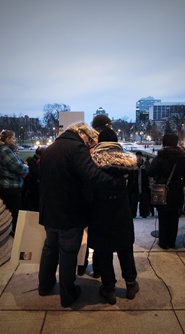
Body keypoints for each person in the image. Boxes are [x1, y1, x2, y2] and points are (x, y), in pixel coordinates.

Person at [38, 122, 122, 308]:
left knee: (50, 248)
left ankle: (44, 286)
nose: (90, 146)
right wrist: (116, 182)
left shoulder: (52, 147)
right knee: (68, 253)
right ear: (84, 135)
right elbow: (92, 175)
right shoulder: (76, 148)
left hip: (49, 210)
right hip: (68, 211)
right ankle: (68, 294)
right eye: (91, 142)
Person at [88, 127, 139, 305]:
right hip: (121, 210)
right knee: (125, 249)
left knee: (103, 251)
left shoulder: (91, 160)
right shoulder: (128, 160)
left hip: (100, 211)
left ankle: (109, 289)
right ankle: (131, 284)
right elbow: (133, 190)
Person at [76, 114, 113, 277]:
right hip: (100, 195)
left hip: (85, 194)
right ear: (106, 125)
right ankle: (98, 268)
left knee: (84, 232)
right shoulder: (105, 145)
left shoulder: (85, 143)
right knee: (100, 234)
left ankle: (81, 265)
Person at [148, 133, 185, 249]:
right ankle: (172, 242)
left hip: (163, 191)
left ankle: (164, 242)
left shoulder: (160, 157)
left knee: (163, 218)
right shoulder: (182, 158)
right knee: (174, 218)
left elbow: (150, 171)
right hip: (177, 191)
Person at [0, 129, 29, 236]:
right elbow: (20, 167)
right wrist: (26, 168)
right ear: (7, 139)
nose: (15, 140)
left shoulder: (8, 150)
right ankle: (15, 234)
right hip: (10, 187)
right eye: (13, 138)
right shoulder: (5, 150)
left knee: (15, 212)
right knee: (15, 214)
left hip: (11, 186)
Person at [21, 146, 46, 212]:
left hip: (31, 187)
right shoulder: (34, 161)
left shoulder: (30, 159)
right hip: (34, 187)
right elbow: (37, 174)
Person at [128, 151, 151, 218]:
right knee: (133, 202)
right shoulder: (133, 166)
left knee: (144, 201)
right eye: (137, 156)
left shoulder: (145, 166)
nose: (138, 158)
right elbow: (130, 177)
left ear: (142, 157)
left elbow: (149, 175)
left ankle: (144, 213)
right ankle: (133, 214)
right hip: (134, 187)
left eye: (139, 156)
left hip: (144, 187)